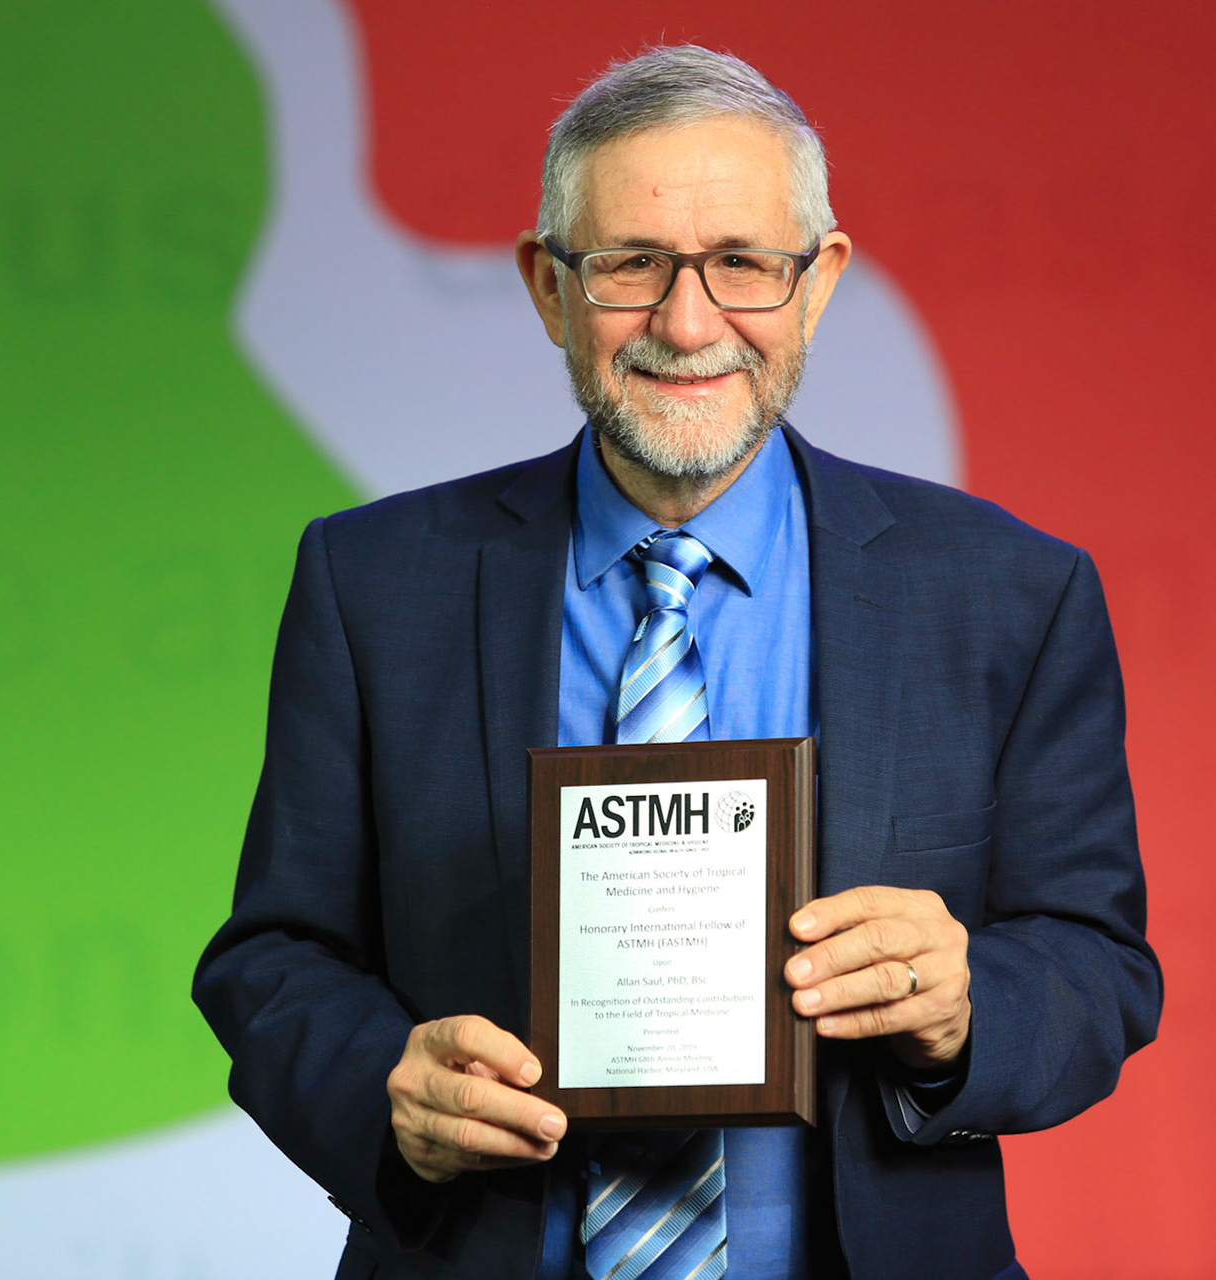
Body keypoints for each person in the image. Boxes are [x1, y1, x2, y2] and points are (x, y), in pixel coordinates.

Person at [194, 45, 1160, 1280]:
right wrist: (385, 1088)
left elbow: (1100, 962)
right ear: (550, 290)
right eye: (632, 264)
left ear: (819, 285)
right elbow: (273, 955)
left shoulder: (1011, 592)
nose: (688, 322)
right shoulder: (374, 583)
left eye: (744, 264)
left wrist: (969, 1000)